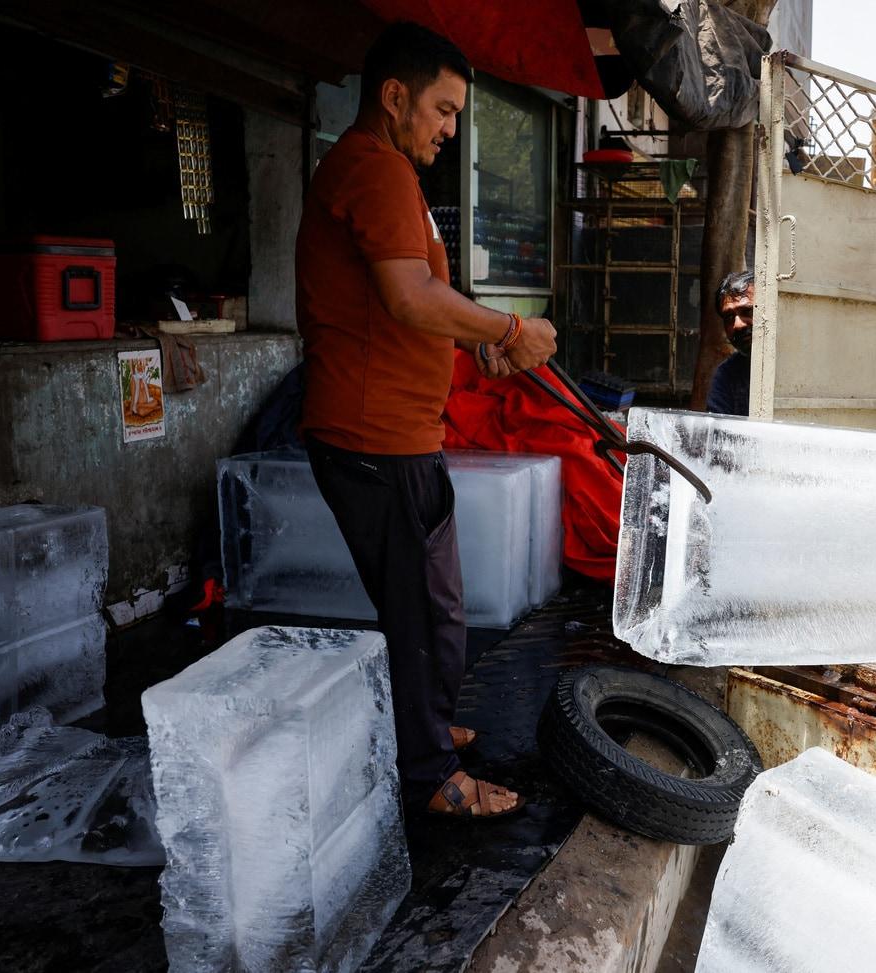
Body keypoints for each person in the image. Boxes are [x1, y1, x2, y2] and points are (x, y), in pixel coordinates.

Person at [295, 22, 556, 820]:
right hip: (377, 438)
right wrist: (509, 331)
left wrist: (472, 347)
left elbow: (407, 307)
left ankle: (427, 729)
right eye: (443, 110)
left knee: (433, 606)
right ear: (395, 96)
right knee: (421, 613)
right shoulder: (376, 169)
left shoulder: (384, 172)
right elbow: (410, 297)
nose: (451, 128)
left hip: (395, 434)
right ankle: (431, 776)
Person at [705, 269, 754, 416]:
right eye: (729, 317)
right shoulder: (728, 375)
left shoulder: (803, 366)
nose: (737, 325)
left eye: (747, 311)